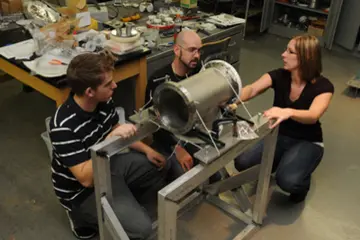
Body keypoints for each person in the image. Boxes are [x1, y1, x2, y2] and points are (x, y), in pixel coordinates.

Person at [49, 51, 168, 239]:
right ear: (90, 92)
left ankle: (124, 206)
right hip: (81, 192)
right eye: (108, 84)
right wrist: (109, 138)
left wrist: (147, 150)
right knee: (142, 230)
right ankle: (81, 219)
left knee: (155, 166)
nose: (115, 85)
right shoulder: (63, 127)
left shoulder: (103, 100)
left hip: (106, 165)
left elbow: (115, 128)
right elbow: (86, 179)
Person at [231, 35, 334, 203]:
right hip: (277, 136)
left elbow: (313, 115)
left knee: (288, 182)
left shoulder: (323, 86)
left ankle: (301, 184)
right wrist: (231, 99)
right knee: (242, 161)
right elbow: (252, 89)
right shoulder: (280, 75)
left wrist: (288, 112)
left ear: (305, 57)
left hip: (307, 141)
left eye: (290, 51)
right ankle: (282, 162)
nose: (283, 55)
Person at [145, 30, 203, 178]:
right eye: (191, 50)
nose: (196, 55)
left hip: (191, 132)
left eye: (199, 50)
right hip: (167, 138)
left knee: (215, 171)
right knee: (184, 176)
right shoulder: (158, 80)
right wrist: (177, 149)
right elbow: (154, 124)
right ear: (177, 50)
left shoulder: (198, 71)